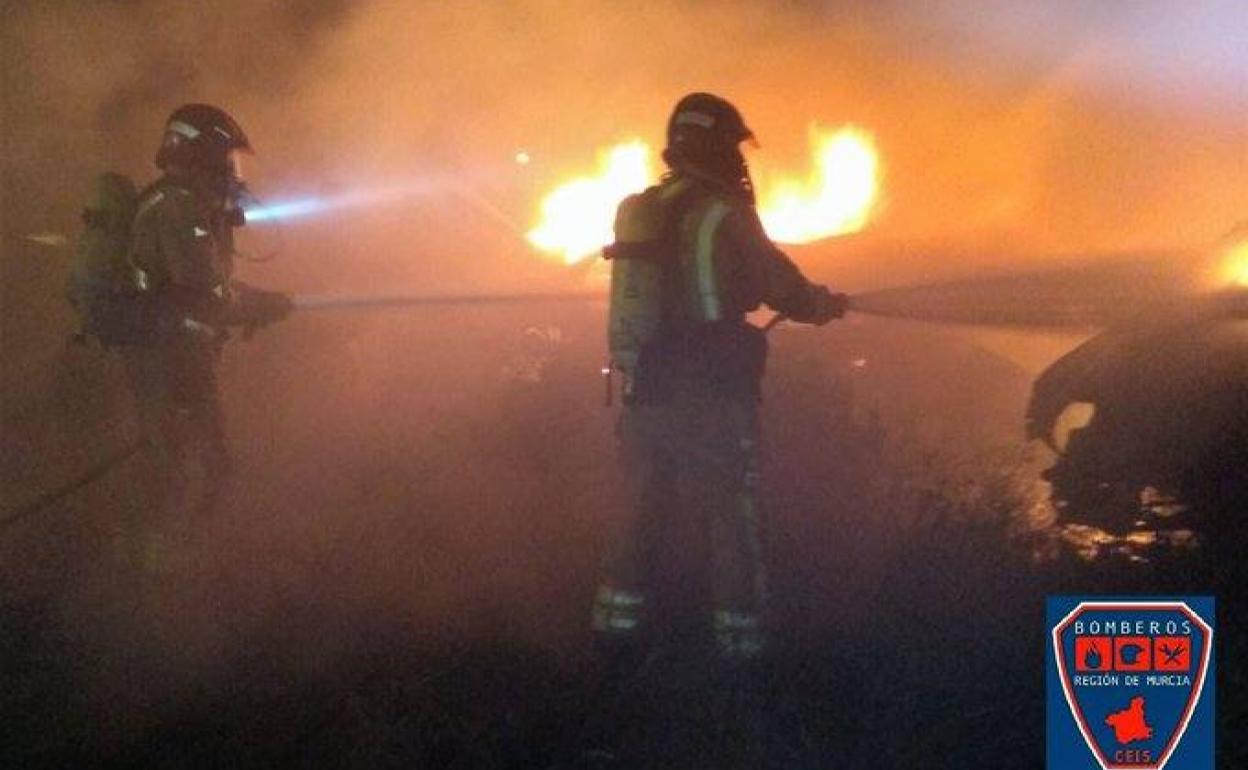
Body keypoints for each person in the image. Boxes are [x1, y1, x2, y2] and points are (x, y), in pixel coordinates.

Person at [596, 93, 847, 658]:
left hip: (647, 389)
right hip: (709, 391)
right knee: (731, 514)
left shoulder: (645, 208)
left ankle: (614, 640)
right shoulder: (723, 212)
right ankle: (742, 650)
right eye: (733, 146)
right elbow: (780, 286)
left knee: (637, 513)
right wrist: (820, 304)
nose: (739, 160)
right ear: (716, 145)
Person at [123, 104, 290, 527]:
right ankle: (160, 576)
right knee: (182, 471)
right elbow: (201, 296)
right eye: (227, 158)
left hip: (181, 358)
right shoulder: (177, 209)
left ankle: (191, 561)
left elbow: (211, 286)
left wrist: (257, 299)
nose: (234, 172)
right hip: (166, 362)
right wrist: (258, 306)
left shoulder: (190, 207)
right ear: (202, 155)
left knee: (204, 465)